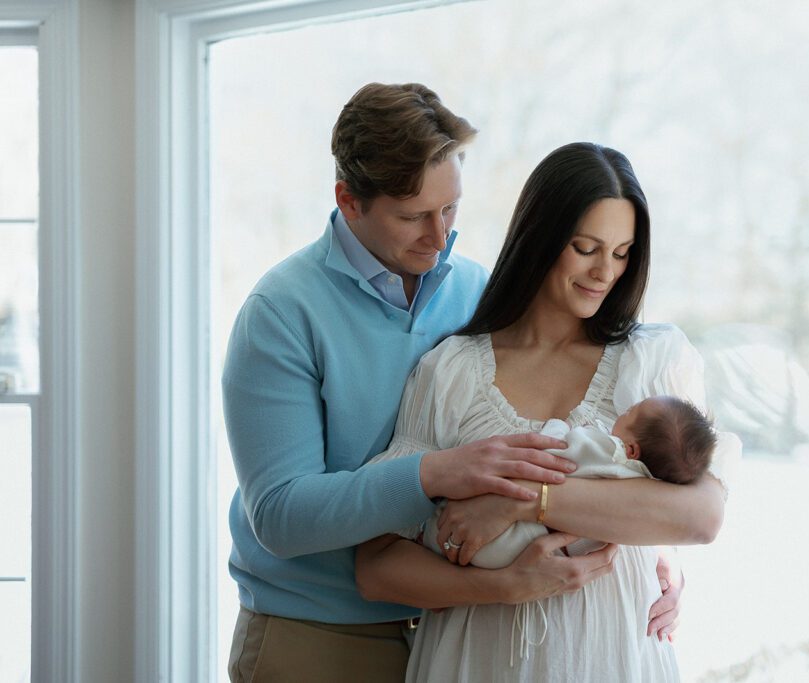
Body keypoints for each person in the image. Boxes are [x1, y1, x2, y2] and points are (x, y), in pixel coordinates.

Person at [221, 84, 683, 682]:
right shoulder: (281, 313)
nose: (439, 239)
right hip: (323, 633)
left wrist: (643, 539)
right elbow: (281, 517)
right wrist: (440, 473)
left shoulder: (476, 292)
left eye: (451, 210)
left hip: (453, 631)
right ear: (349, 200)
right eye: (413, 216)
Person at [356, 142, 741, 682]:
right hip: (476, 659)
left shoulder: (653, 361)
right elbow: (376, 567)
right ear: (540, 238)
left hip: (614, 659)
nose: (605, 271)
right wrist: (502, 585)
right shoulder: (452, 370)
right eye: (586, 247)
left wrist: (524, 504)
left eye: (623, 252)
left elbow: (701, 518)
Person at [401, 395, 718, 569]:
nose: (624, 410)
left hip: (512, 541)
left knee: (449, 522)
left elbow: (559, 449)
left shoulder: (609, 450)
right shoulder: (642, 486)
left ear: (631, 449)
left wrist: (555, 426)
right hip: (543, 552)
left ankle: (426, 541)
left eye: (631, 411)